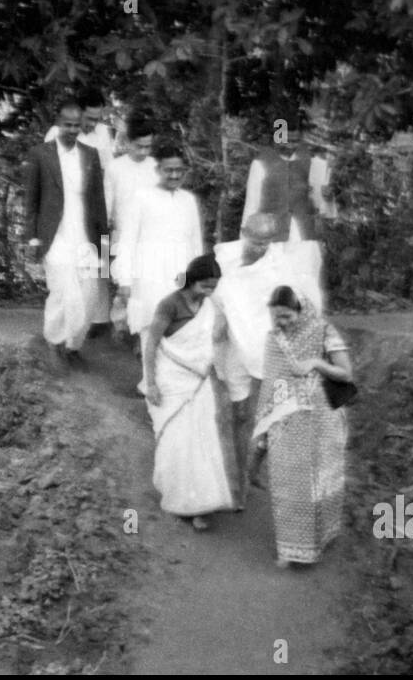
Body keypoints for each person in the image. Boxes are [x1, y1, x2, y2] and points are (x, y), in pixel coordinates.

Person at [212, 212, 323, 507]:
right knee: (240, 414)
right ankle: (237, 481)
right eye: (256, 241)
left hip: (267, 345)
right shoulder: (223, 257)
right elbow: (211, 294)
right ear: (243, 231)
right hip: (235, 344)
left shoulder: (279, 265)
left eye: (267, 243)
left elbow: (297, 300)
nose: (261, 248)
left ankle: (253, 469)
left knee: (270, 414)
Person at [253, 285, 352, 567]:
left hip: (321, 421)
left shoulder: (323, 331)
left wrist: (315, 363)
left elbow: (345, 374)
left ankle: (321, 540)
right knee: (288, 485)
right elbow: (271, 384)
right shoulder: (274, 339)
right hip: (285, 423)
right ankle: (291, 550)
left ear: (301, 310)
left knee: (319, 483)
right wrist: (265, 427)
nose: (281, 323)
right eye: (276, 318)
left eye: (286, 316)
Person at [142, 254, 236, 530]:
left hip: (199, 381)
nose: (209, 292)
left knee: (202, 439)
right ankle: (177, 494)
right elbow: (151, 345)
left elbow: (214, 342)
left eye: (213, 287)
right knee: (177, 438)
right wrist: (151, 384)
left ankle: (201, 502)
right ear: (191, 281)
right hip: (171, 379)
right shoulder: (169, 304)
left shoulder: (209, 306)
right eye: (204, 286)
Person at [23, 100, 109, 367]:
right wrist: (32, 238)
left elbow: (98, 203)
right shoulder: (41, 154)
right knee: (63, 292)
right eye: (68, 125)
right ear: (58, 124)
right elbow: (31, 199)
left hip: (85, 238)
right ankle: (54, 342)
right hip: (55, 236)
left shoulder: (90, 154)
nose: (73, 130)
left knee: (89, 294)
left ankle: (73, 346)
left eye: (77, 125)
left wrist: (105, 248)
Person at [116, 139, 204, 379]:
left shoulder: (188, 200)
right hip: (149, 274)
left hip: (181, 275)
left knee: (179, 330)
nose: (174, 175)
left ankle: (172, 387)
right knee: (151, 328)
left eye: (179, 170)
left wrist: (199, 279)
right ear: (158, 170)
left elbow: (195, 243)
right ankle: (150, 385)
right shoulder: (141, 197)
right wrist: (124, 279)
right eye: (169, 170)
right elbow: (127, 240)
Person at [46, 87, 116, 332]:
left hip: (99, 205)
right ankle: (68, 317)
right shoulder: (57, 133)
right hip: (69, 210)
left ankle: (100, 319)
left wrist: (110, 209)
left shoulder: (104, 133)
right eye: (89, 119)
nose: (93, 124)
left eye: (98, 119)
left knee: (101, 260)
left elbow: (109, 171)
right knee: (73, 262)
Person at [105, 109, 159, 338]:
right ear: (127, 143)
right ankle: (120, 324)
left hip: (150, 236)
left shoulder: (156, 166)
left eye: (148, 146)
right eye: (139, 146)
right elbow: (107, 204)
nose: (144, 151)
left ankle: (141, 332)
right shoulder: (115, 168)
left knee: (146, 284)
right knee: (124, 284)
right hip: (123, 235)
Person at [241, 126, 332, 242]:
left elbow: (320, 200)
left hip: (304, 232)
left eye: (295, 141)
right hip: (270, 234)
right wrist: (245, 236)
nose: (290, 145)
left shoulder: (311, 162)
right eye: (286, 140)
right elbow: (251, 203)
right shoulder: (261, 163)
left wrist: (326, 199)